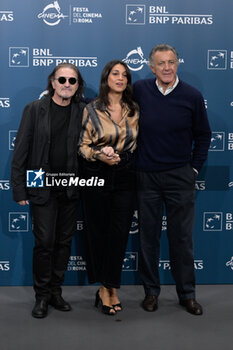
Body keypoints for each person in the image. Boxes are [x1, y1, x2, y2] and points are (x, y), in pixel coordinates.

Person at [133, 44, 211, 315]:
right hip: (146, 177)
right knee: (148, 238)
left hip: (180, 176)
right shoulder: (140, 90)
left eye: (171, 62)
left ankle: (187, 294)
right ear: (151, 67)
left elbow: (203, 135)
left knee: (181, 239)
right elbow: (111, 105)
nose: (167, 67)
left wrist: (194, 169)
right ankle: (151, 293)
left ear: (177, 64)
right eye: (161, 63)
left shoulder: (192, 95)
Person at [11, 63, 85, 318]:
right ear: (52, 82)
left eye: (72, 81)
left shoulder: (83, 111)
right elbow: (21, 150)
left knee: (63, 242)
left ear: (77, 86)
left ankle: (55, 292)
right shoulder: (34, 109)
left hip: (71, 187)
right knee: (44, 243)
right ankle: (41, 296)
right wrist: (19, 189)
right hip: (40, 183)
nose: (66, 84)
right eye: (61, 79)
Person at [78, 60, 139, 315]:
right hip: (97, 174)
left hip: (125, 174)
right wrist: (99, 155)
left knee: (119, 234)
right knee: (99, 232)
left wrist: (121, 157)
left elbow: (135, 144)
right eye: (115, 74)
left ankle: (111, 285)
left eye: (125, 75)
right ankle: (104, 289)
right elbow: (82, 146)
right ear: (106, 77)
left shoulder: (134, 109)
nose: (120, 78)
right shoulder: (91, 108)